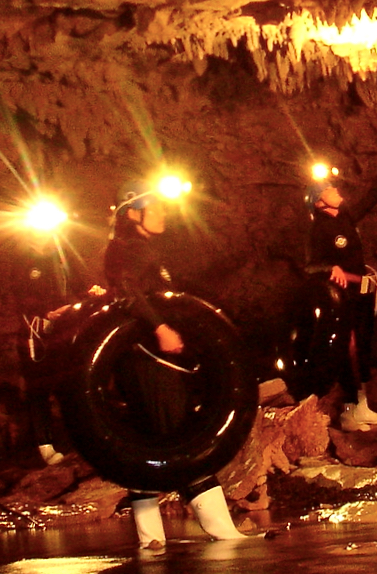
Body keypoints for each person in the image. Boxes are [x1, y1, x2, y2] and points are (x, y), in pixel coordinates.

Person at [104, 179, 247, 550]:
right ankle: (222, 532)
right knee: (181, 437)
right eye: (156, 207)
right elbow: (126, 291)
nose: (164, 213)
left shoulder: (143, 249)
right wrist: (161, 327)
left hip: (152, 362)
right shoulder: (126, 249)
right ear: (133, 213)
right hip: (146, 361)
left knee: (150, 442)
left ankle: (150, 539)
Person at [302, 137, 377, 429]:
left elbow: (372, 196)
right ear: (320, 201)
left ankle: (362, 406)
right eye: (330, 190)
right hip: (342, 295)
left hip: (361, 293)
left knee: (363, 349)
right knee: (349, 349)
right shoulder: (317, 228)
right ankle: (351, 409)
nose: (336, 190)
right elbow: (310, 265)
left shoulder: (345, 218)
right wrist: (329, 266)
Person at [17, 237, 71, 466]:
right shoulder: (21, 262)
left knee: (66, 385)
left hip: (61, 331)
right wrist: (45, 313)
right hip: (33, 335)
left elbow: (71, 287)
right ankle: (45, 446)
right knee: (38, 390)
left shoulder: (59, 258)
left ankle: (74, 438)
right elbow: (20, 297)